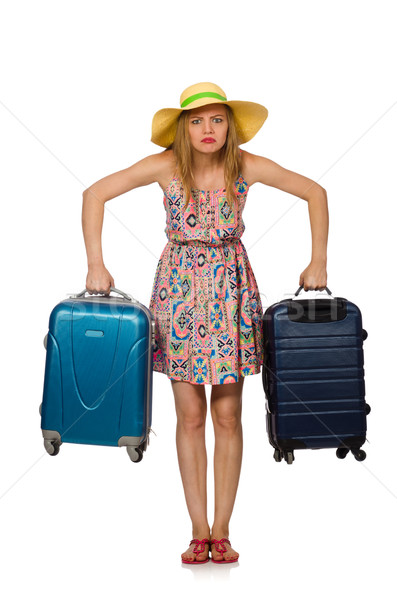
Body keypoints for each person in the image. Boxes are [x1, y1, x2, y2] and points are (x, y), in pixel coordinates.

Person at [81, 82, 328, 564]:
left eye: (216, 119)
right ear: (182, 129)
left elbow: (314, 192)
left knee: (228, 415)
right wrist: (96, 263)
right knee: (190, 416)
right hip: (178, 292)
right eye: (196, 120)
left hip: (231, 294)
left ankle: (224, 530)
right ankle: (199, 530)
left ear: (230, 125)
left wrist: (317, 261)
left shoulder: (246, 166)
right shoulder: (165, 167)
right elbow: (95, 194)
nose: (207, 129)